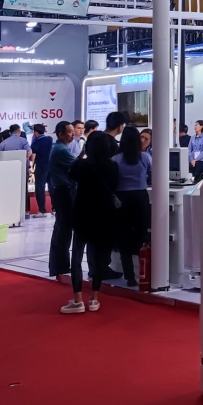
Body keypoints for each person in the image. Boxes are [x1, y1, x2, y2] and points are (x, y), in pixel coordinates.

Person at [63, 131, 120, 314]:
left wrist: (82, 154)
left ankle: (78, 300)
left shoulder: (82, 165)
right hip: (104, 214)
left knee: (77, 256)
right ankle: (94, 298)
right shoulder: (113, 166)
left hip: (82, 213)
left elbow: (70, 176)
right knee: (98, 257)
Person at [114, 125, 152, 287]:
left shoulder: (116, 159)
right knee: (143, 233)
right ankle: (146, 272)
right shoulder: (145, 157)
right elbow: (153, 176)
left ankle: (129, 275)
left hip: (122, 199)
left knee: (124, 236)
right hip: (140, 198)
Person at [48, 122, 78, 278]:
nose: (73, 134)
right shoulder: (61, 150)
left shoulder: (61, 148)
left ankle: (60, 265)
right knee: (63, 229)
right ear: (60, 134)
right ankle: (60, 266)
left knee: (62, 229)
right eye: (70, 132)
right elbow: (78, 166)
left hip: (62, 190)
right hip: (64, 191)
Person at [29, 123, 54, 215]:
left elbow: (32, 158)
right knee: (52, 187)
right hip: (51, 165)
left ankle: (42, 210)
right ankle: (55, 208)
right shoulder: (49, 139)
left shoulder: (36, 143)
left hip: (41, 166)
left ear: (35, 132)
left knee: (40, 188)